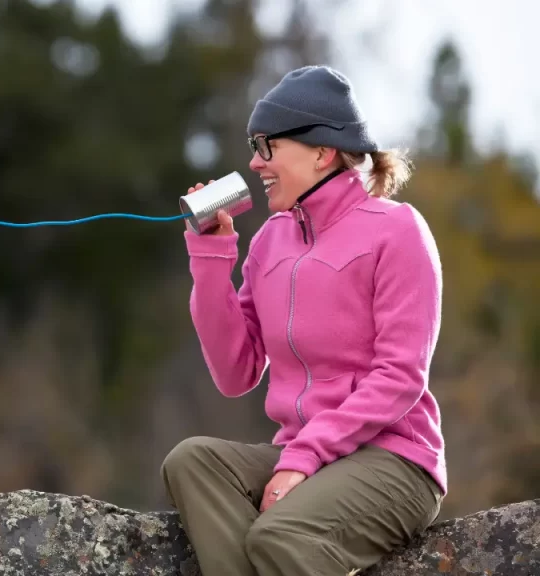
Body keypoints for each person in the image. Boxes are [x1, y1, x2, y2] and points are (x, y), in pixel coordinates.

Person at [161, 65, 445, 576]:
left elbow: (401, 377)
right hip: (304, 453)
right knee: (192, 461)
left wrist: (304, 457)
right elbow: (235, 373)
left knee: (280, 537)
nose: (254, 161)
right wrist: (210, 260)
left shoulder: (398, 231)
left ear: (322, 151)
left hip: (395, 461)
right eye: (254, 145)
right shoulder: (270, 240)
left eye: (267, 146)